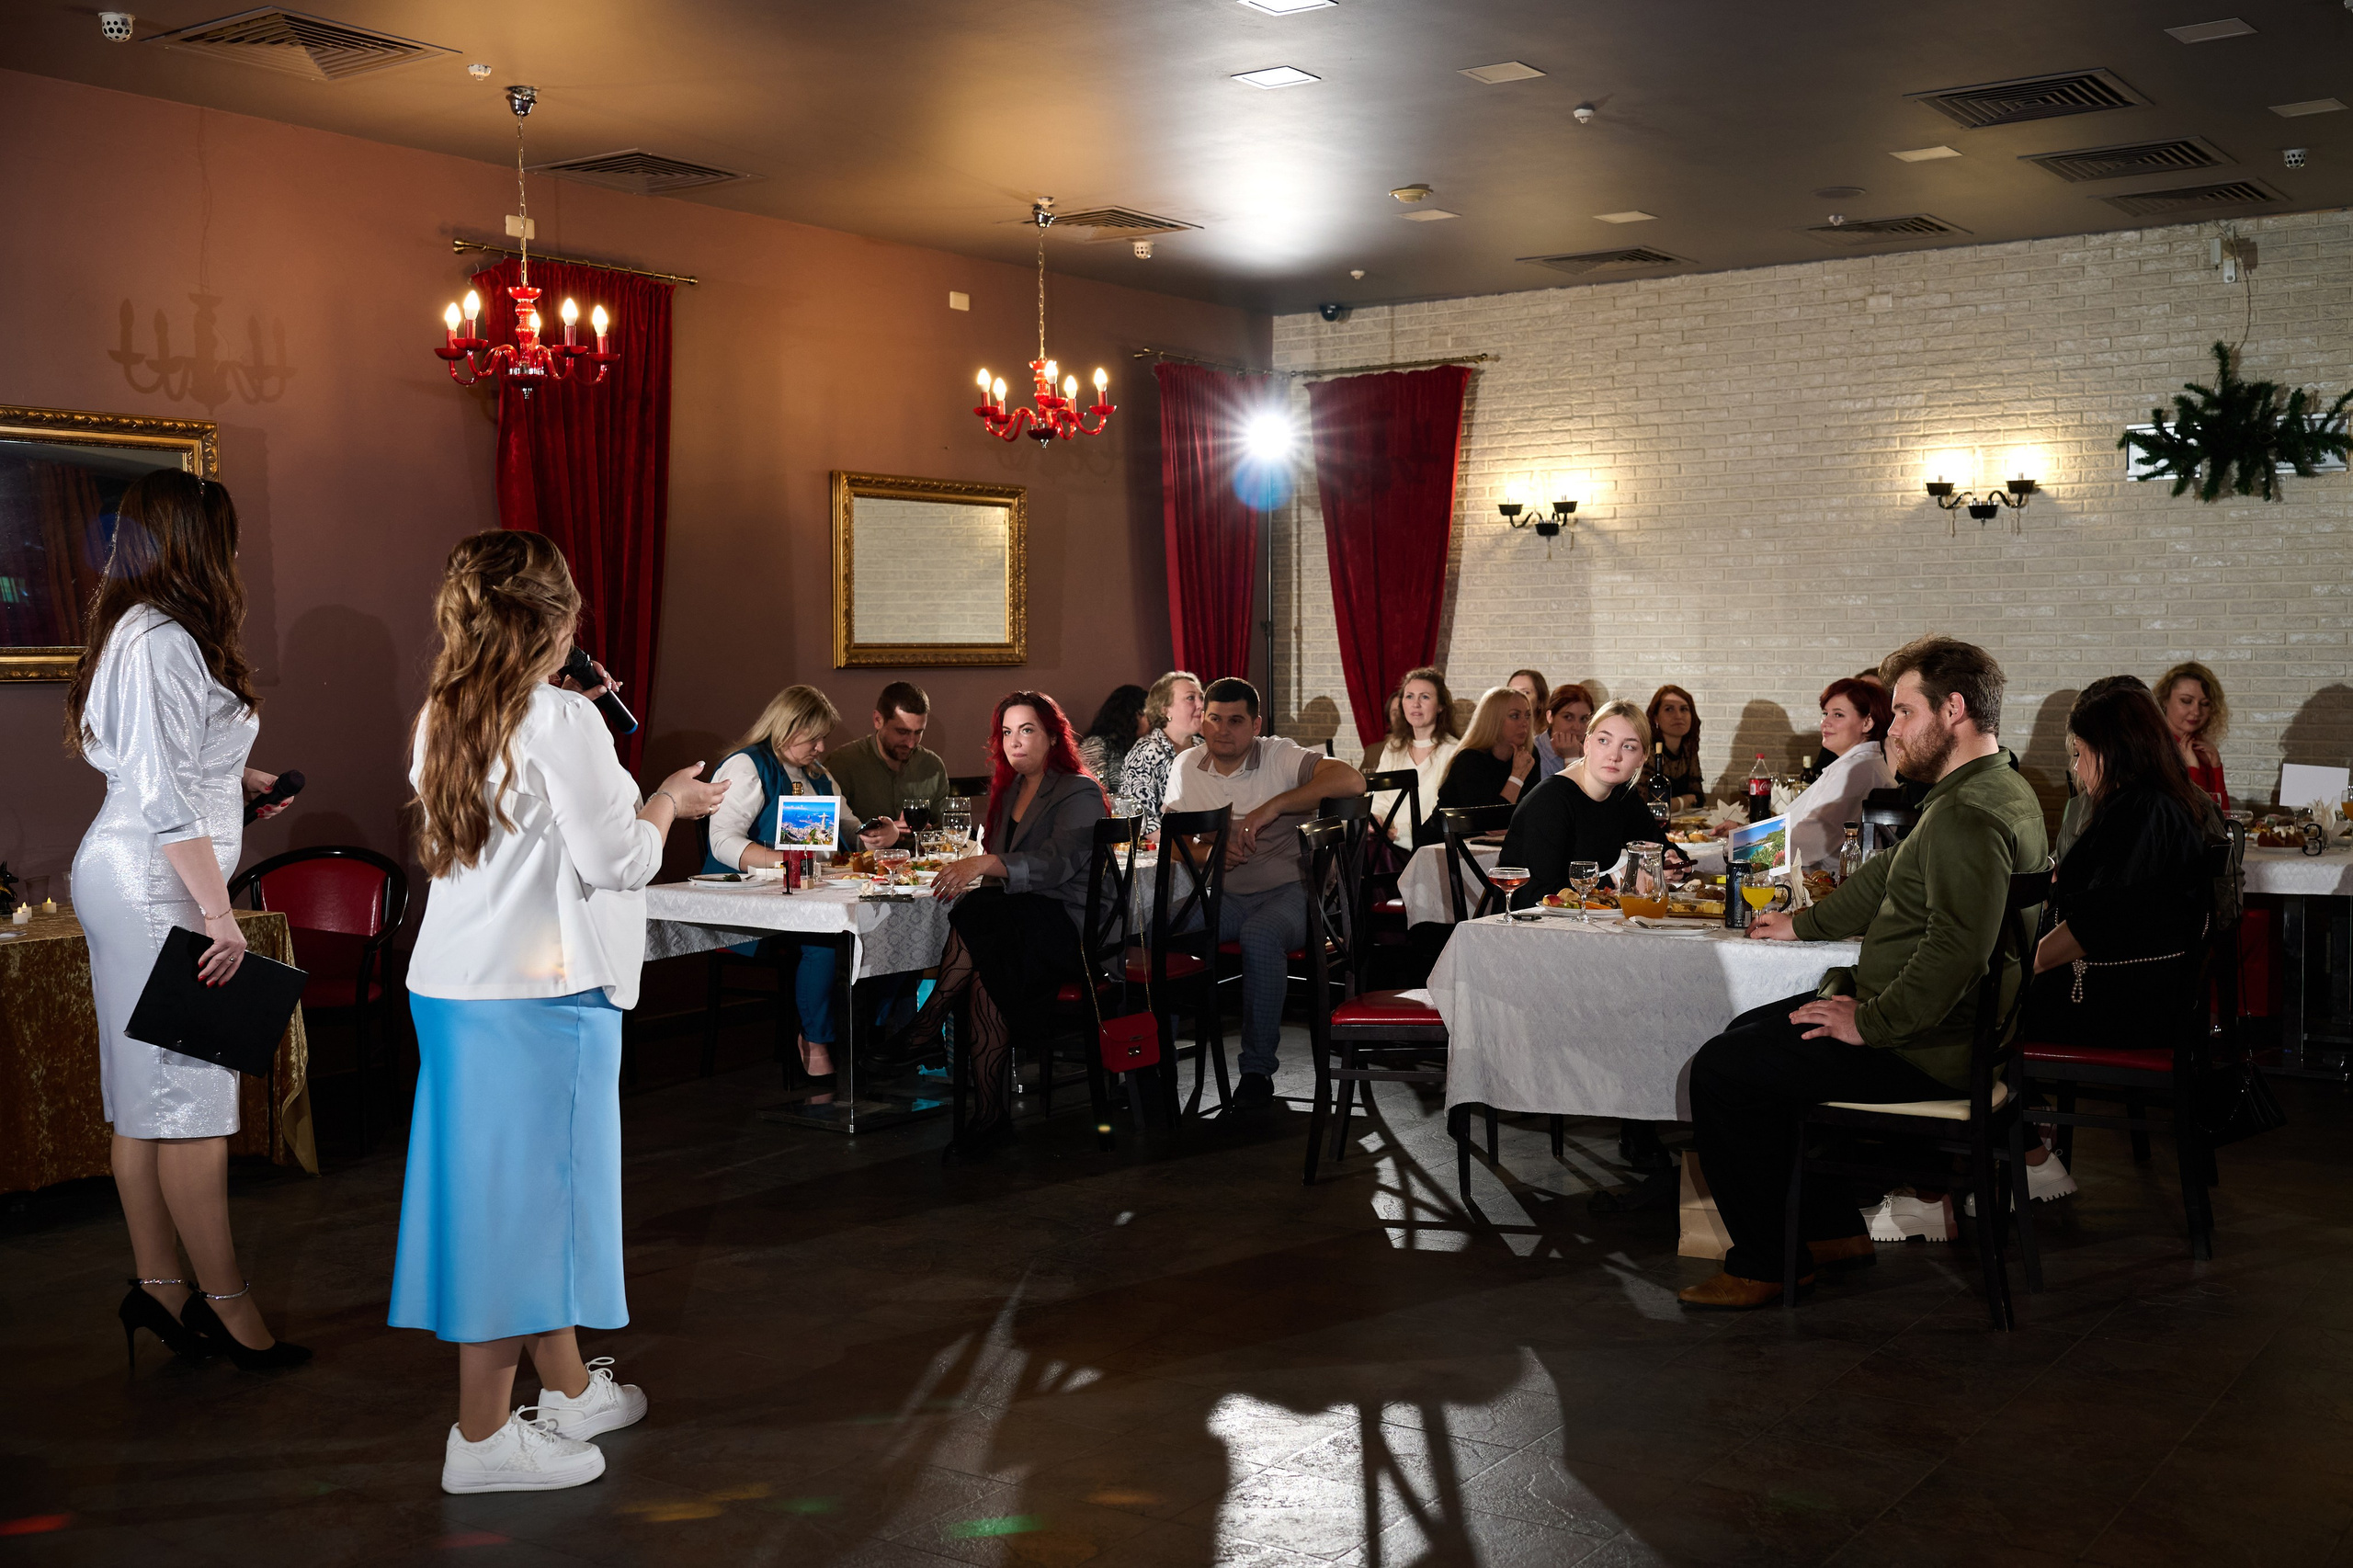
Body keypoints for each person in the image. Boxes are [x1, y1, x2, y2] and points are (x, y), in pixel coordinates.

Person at [393, 530, 729, 1490]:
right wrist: (663, 794)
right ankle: (483, 1436)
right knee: (522, 1212)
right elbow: (620, 859)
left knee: (508, 1195)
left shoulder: (445, 711)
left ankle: (570, 1387)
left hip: (457, 989)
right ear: (554, 619)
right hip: (540, 995)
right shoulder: (563, 721)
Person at [1678, 636, 2048, 1310]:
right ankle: (1830, 1232)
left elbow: (1957, 951)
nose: (1894, 729)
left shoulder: (1966, 813)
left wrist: (1869, 1023)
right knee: (1748, 1033)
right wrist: (1803, 923)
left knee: (1722, 1071)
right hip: (1950, 1028)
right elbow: (1887, 875)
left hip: (1928, 1045)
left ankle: (1766, 1262)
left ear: (1953, 709)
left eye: (1904, 712)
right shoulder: (1992, 786)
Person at [66, 471, 308, 1373]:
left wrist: (242, 785)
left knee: (143, 1103)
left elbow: (144, 763)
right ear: (197, 543)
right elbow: (167, 799)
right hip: (157, 881)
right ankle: (227, 1308)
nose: (236, 555)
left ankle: (162, 1291)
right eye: (228, 537)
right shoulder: (164, 639)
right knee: (196, 1107)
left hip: (125, 868)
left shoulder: (129, 630)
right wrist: (221, 915)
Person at [914, 692, 1107, 1154]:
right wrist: (983, 866)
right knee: (983, 973)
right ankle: (990, 1118)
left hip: (1069, 931)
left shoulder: (1077, 789)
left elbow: (1056, 865)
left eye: (1027, 730)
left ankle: (927, 1024)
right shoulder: (1009, 790)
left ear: (1053, 736)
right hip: (1022, 925)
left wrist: (985, 864)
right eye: (1006, 732)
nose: (1015, 742)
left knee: (976, 917)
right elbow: (1001, 877)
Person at [1165, 677, 1365, 1118]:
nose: (1222, 730)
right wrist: (1210, 854)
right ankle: (1152, 1063)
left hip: (1293, 893)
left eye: (1235, 721)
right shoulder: (1186, 766)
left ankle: (1256, 1073)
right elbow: (1176, 840)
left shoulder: (1278, 754)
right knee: (1157, 927)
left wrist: (1273, 806)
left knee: (1259, 935)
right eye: (1214, 719)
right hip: (1227, 895)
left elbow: (1350, 780)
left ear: (1255, 724)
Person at [705, 684, 894, 1091]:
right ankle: (816, 1038)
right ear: (786, 728)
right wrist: (786, 862)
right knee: (824, 939)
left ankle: (877, 1038)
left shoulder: (818, 775)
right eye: (814, 737)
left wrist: (879, 832)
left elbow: (851, 827)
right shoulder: (748, 766)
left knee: (888, 926)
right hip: (755, 897)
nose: (822, 746)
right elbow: (722, 842)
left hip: (810, 891)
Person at [1500, 699, 1666, 903]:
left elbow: (1658, 843)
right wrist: (1618, 878)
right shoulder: (1551, 801)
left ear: (1643, 757)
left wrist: (1673, 863)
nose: (1614, 756)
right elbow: (1539, 895)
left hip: (1583, 920)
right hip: (1525, 923)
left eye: (1628, 747)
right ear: (1587, 744)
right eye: (1604, 741)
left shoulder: (1621, 794)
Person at [1780, 677, 1895, 869]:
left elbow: (1807, 844)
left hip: (1817, 887)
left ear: (1867, 723)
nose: (1825, 723)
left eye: (1838, 715)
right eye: (1825, 714)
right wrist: (1743, 835)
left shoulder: (1856, 770)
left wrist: (1736, 848)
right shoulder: (1860, 764)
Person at [826, 680, 949, 833]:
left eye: (918, 732)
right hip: (864, 855)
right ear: (878, 720)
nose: (911, 743)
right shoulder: (843, 763)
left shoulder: (932, 767)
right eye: (902, 732)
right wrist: (882, 833)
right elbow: (831, 833)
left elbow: (942, 832)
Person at [2054, 675, 2152, 858]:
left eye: (2081, 753)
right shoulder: (2081, 807)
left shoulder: (2153, 814)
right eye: (2076, 753)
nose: (2076, 768)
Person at [1370, 666, 1461, 846]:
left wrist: (1401, 833)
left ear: (1441, 706)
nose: (1415, 704)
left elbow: (1444, 810)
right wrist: (1377, 819)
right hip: (1390, 846)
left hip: (1433, 846)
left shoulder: (1453, 751)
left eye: (1424, 697)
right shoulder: (1393, 748)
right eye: (1409, 696)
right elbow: (1380, 799)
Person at [1116, 669, 1204, 837]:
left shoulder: (1204, 748)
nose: (1200, 704)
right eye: (1190, 698)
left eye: (1201, 698)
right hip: (1169, 854)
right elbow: (1141, 821)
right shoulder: (1146, 752)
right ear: (1165, 710)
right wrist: (1197, 849)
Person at [1437, 686, 1540, 815]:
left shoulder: (1528, 754)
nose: (1525, 723)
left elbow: (1533, 811)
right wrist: (1517, 776)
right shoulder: (1470, 760)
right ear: (1493, 720)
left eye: (1527, 715)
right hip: (1445, 834)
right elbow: (1489, 822)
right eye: (1515, 716)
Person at [2155, 661, 2230, 811]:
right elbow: (2180, 813)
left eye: (2205, 704)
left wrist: (2216, 766)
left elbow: (2223, 814)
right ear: (2165, 700)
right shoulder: (2155, 746)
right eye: (2186, 701)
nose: (2196, 711)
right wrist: (2192, 769)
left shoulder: (2202, 747)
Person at [1645, 684, 1705, 811]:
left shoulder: (1688, 749)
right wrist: (1684, 801)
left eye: (1684, 709)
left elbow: (1699, 798)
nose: (1678, 716)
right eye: (1669, 709)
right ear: (1655, 717)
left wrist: (1672, 804)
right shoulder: (1645, 750)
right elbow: (1647, 805)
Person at [1078, 683, 1151, 786]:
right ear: (1136, 715)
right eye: (1149, 716)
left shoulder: (1138, 747)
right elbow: (1095, 790)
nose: (1153, 723)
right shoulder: (1096, 744)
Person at [1536, 682, 1595, 781]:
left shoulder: (1593, 751)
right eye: (1568, 717)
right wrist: (1572, 758)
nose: (1577, 727)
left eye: (1584, 719)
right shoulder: (1534, 752)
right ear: (1550, 716)